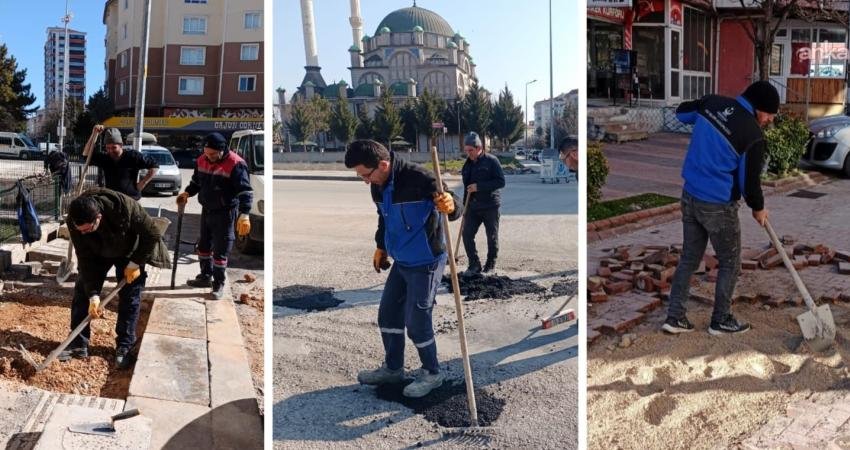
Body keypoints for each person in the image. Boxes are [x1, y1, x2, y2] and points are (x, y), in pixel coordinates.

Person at [344, 139, 462, 398]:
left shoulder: (420, 179)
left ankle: (432, 373)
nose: (365, 181)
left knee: (417, 321)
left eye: (366, 175)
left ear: (383, 165)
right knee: (388, 315)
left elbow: (455, 204)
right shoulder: (378, 186)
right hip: (401, 261)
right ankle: (393, 369)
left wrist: (451, 205)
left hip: (426, 261)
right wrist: (381, 246)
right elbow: (384, 218)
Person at [662, 80, 777, 336]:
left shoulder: (712, 104)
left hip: (690, 196)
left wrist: (705, 108)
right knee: (730, 262)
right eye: (769, 114)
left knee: (689, 258)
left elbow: (681, 113)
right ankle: (721, 319)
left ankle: (675, 317)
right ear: (758, 107)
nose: (770, 120)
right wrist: (758, 208)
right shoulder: (753, 135)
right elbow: (749, 183)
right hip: (718, 206)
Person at [59, 188, 162, 369]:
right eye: (80, 230)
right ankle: (78, 343)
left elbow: (152, 233)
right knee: (82, 292)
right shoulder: (75, 221)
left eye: (87, 229)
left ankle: (125, 346)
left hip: (129, 252)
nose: (83, 233)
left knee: (130, 296)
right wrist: (93, 294)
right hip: (96, 253)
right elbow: (84, 257)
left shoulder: (125, 207)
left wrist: (135, 263)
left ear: (98, 217)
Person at [177, 132, 253, 299]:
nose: (209, 157)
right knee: (203, 246)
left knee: (220, 250)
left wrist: (245, 213)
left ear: (222, 150)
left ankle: (218, 284)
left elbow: (245, 190)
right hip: (207, 210)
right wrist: (187, 193)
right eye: (206, 153)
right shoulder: (202, 160)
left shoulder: (236, 164)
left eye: (212, 154)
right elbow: (196, 182)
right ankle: (205, 276)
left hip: (225, 212)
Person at [460, 132, 505, 274]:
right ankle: (474, 264)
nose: (468, 153)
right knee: (466, 234)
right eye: (466, 150)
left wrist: (479, 187)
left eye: (470, 150)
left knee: (491, 237)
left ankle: (490, 265)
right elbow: (467, 188)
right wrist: (464, 208)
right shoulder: (467, 165)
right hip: (473, 207)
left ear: (479, 148)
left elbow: (501, 182)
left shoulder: (492, 161)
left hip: (490, 206)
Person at [84, 126, 159, 200]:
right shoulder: (105, 158)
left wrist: (142, 183)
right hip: (111, 199)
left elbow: (154, 166)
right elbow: (86, 155)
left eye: (114, 147)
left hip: (131, 200)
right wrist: (94, 134)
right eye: (108, 148)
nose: (110, 151)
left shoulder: (132, 156)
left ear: (121, 145)